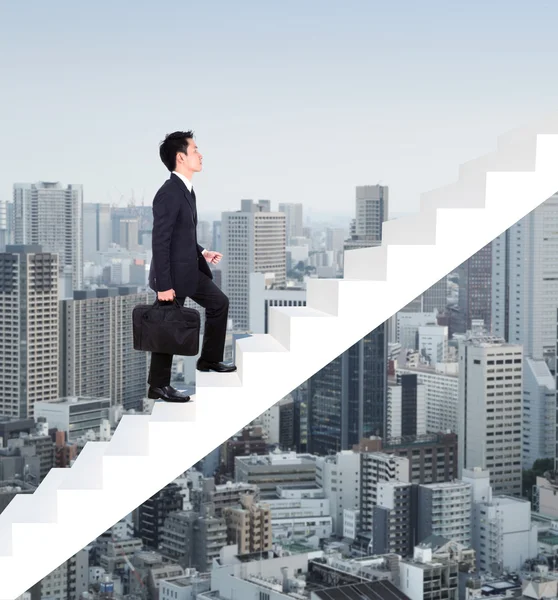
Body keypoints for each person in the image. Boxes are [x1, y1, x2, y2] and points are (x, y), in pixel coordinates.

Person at [147, 130, 236, 403]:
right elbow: (160, 241)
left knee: (219, 303)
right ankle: (158, 387)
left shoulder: (186, 190)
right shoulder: (169, 193)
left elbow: (182, 235)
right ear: (180, 157)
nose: (200, 154)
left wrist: (202, 252)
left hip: (189, 268)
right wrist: (164, 286)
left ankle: (208, 360)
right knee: (168, 326)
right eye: (195, 149)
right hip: (172, 276)